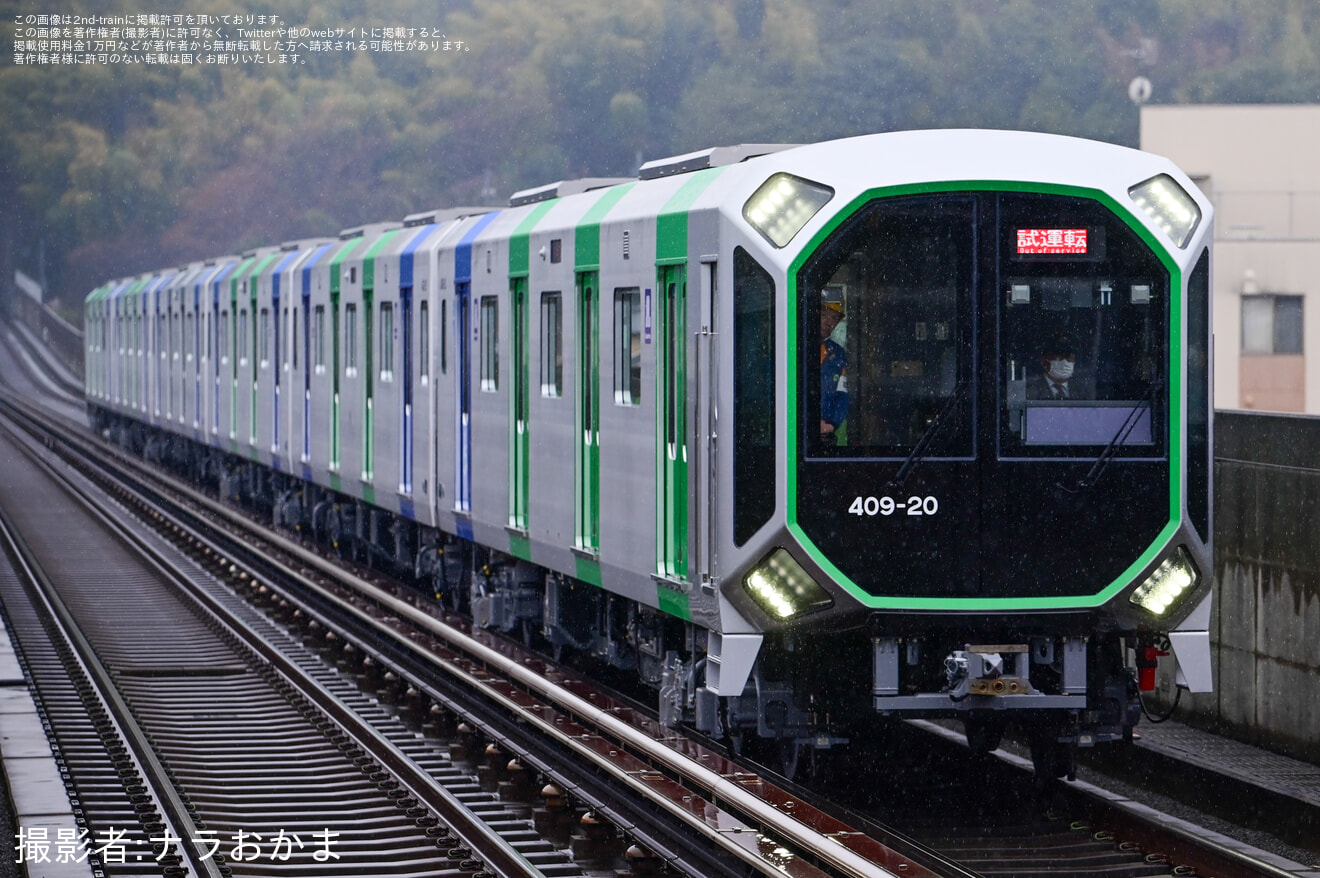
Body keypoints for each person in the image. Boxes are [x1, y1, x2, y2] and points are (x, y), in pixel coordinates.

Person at [820, 287, 849, 441]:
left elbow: (843, 395)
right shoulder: (790, 348)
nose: (829, 322)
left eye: (834, 318)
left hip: (825, 436)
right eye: (824, 314)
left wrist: (830, 425)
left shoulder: (838, 354)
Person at [1027, 333, 1094, 400]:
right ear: (1044, 360)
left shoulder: (1083, 390)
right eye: (1059, 357)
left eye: (1068, 357)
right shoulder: (1030, 390)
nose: (1064, 361)